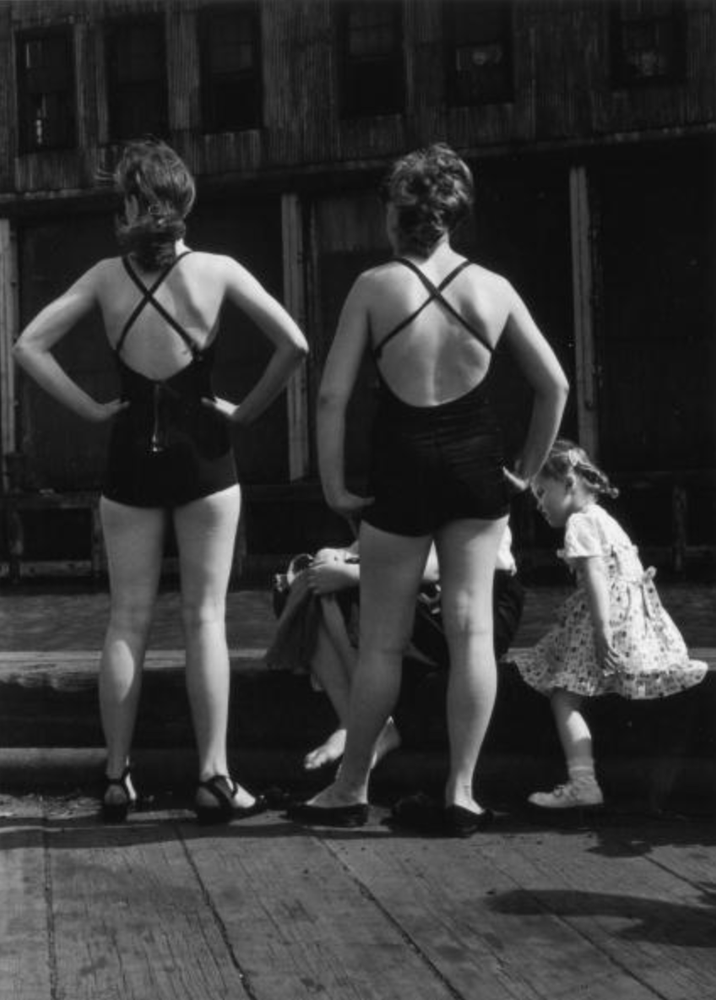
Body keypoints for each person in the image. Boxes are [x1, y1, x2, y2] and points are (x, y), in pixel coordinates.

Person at [13, 139, 308, 823]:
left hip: (129, 458)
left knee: (126, 620)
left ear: (127, 208)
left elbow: (27, 345)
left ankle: (116, 777)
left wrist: (91, 410)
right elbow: (295, 344)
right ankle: (214, 778)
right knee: (205, 618)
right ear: (184, 202)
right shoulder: (218, 271)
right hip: (206, 457)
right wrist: (246, 412)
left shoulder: (103, 278)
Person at [286, 142, 569, 835]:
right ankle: (462, 794)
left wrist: (334, 485)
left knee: (382, 642)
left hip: (401, 461)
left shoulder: (374, 286)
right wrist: (526, 471)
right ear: (454, 216)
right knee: (473, 632)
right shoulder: (492, 288)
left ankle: (350, 788)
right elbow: (554, 386)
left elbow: (331, 396)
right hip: (476, 462)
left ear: (395, 214)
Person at [516, 439, 708, 810]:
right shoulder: (604, 518)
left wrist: (601, 630)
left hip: (605, 619)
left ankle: (583, 782)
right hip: (632, 622)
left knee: (563, 697)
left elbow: (595, 576)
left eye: (541, 492)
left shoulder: (579, 523)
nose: (538, 504)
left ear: (568, 483)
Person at [267, 525, 524, 773]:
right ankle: (354, 721)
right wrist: (333, 556)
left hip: (478, 604)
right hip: (417, 588)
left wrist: (350, 574)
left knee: (346, 585)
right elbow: (376, 541)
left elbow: (437, 567)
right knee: (307, 584)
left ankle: (370, 724)